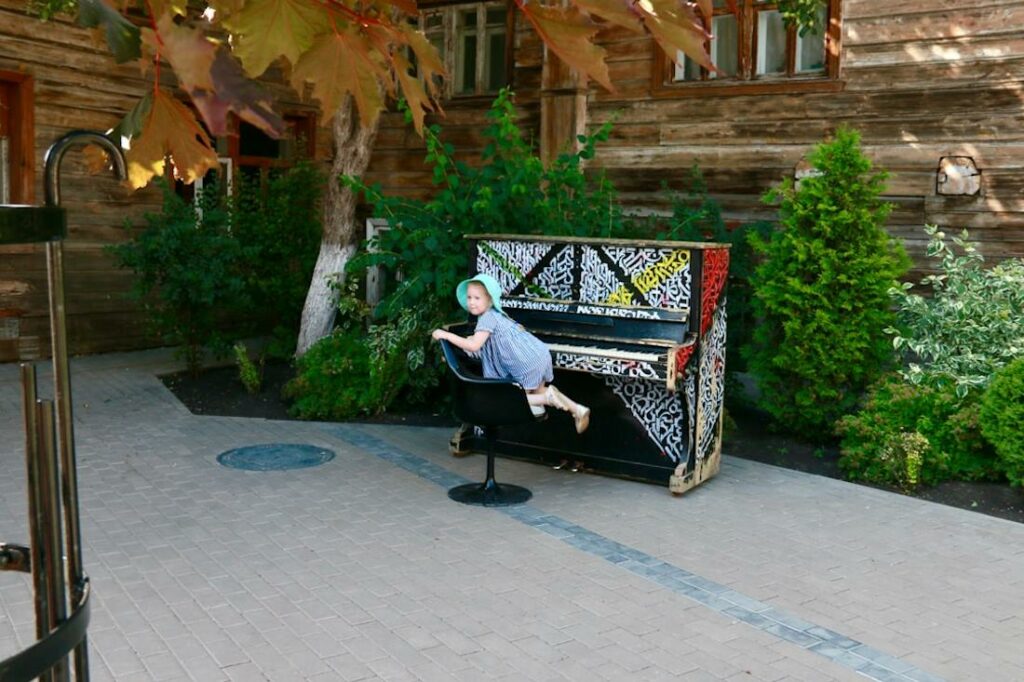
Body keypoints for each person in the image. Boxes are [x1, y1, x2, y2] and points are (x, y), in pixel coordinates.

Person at [432, 274, 591, 438]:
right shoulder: (497, 316)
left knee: (509, 401)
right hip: (538, 354)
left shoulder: (487, 318)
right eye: (470, 297)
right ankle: (577, 409)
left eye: (477, 298)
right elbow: (481, 345)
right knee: (537, 392)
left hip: (526, 363)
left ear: (490, 300)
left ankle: (549, 398)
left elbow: (474, 345)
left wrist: (446, 335)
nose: (472, 302)